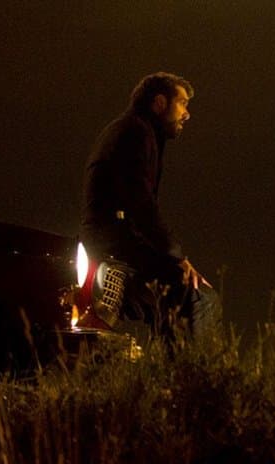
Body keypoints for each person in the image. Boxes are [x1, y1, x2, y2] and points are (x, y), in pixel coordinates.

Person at [81, 71, 219, 341]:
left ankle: (169, 362)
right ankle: (189, 366)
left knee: (173, 301)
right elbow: (141, 205)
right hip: (116, 248)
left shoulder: (134, 131)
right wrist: (176, 258)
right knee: (201, 297)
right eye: (182, 103)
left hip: (110, 244)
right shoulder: (136, 133)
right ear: (159, 103)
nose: (187, 114)